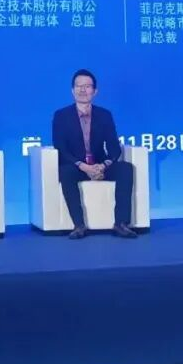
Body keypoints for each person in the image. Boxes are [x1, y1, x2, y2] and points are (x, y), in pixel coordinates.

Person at [51, 69, 137, 240]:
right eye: (78, 86)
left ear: (95, 91)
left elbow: (114, 148)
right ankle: (79, 225)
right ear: (72, 90)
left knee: (125, 168)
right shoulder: (61, 115)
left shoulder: (104, 115)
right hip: (75, 166)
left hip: (99, 165)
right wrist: (82, 166)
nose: (83, 90)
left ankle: (121, 223)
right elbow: (60, 146)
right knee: (65, 172)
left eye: (87, 86)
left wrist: (103, 165)